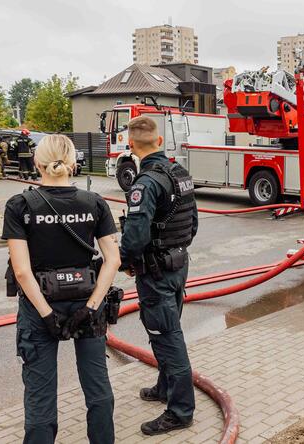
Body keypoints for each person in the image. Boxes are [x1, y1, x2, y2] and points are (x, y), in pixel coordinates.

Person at [2, 134, 121, 444]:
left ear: (37, 163)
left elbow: (22, 271)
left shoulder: (20, 205)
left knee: (40, 399)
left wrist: (47, 316)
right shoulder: (94, 203)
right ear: (72, 163)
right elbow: (113, 261)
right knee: (98, 391)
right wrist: (91, 308)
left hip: (39, 309)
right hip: (87, 305)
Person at [119, 116, 198, 435]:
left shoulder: (145, 183)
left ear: (132, 146)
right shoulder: (180, 173)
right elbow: (193, 223)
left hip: (156, 271)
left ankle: (180, 411)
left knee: (167, 338)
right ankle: (165, 387)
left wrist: (124, 261)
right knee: (167, 330)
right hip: (178, 265)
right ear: (160, 142)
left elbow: (135, 238)